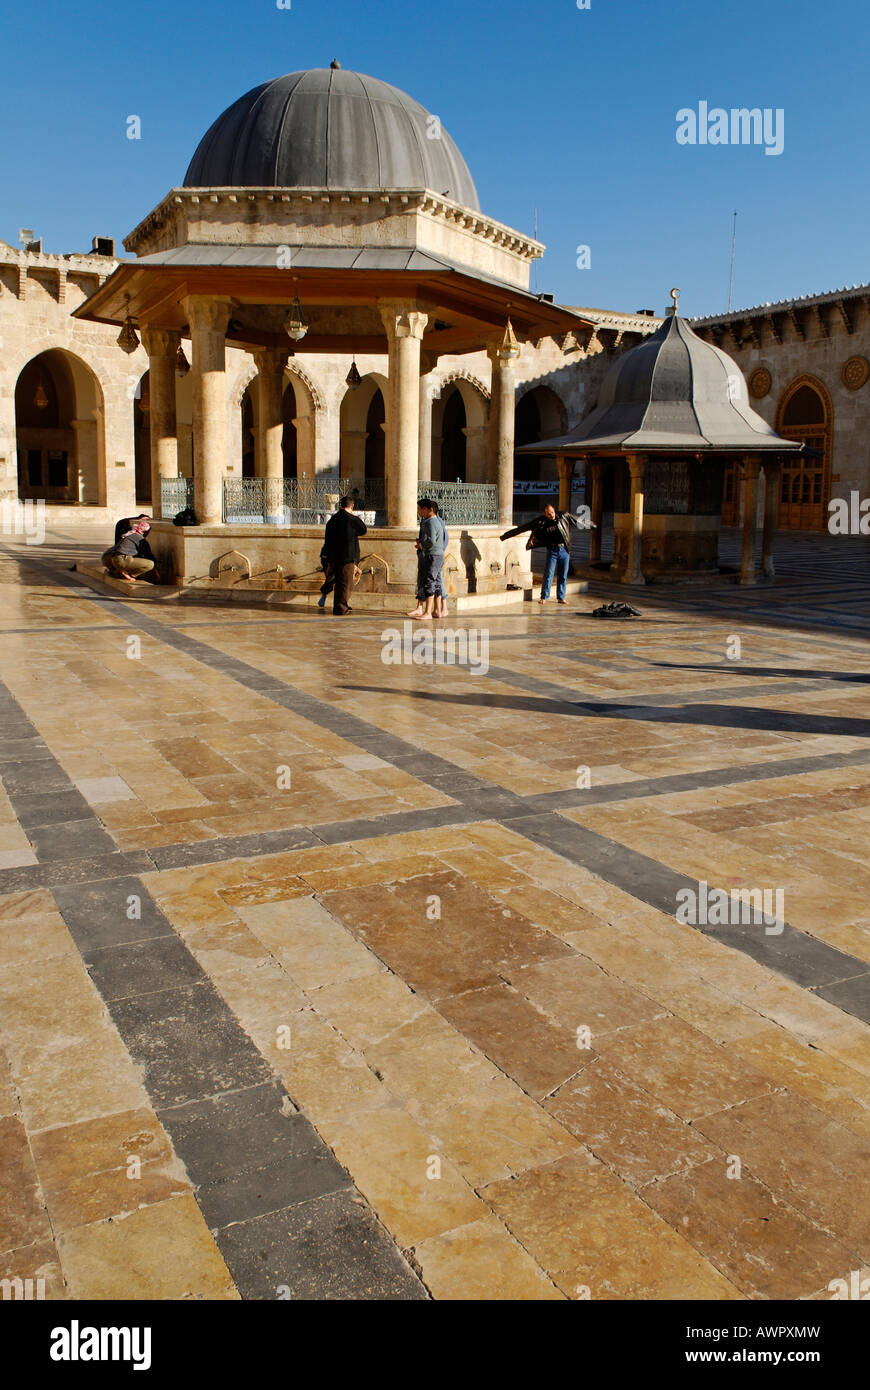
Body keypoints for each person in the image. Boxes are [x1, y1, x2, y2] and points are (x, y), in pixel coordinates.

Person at [501, 503, 585, 605]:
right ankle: (544, 597)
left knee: (563, 575)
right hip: (552, 550)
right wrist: (505, 536)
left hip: (564, 550)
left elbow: (577, 520)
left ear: (555, 511)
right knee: (548, 574)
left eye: (553, 513)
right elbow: (523, 528)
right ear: (545, 514)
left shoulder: (563, 516)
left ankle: (561, 597)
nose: (551, 515)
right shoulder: (541, 522)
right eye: (549, 514)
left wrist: (592, 525)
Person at [323, 495, 366, 615]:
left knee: (339, 582)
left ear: (340, 505)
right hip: (347, 556)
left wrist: (327, 558)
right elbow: (363, 530)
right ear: (352, 506)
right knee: (346, 583)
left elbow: (327, 540)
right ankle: (340, 608)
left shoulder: (332, 520)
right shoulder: (351, 519)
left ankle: (341, 604)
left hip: (334, 556)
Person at [407, 498, 444, 621]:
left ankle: (428, 612)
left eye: (420, 508)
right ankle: (437, 610)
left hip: (432, 555)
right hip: (437, 555)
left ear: (430, 509)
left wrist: (421, 545)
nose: (419, 511)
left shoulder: (431, 522)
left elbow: (431, 541)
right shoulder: (429, 521)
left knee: (430, 581)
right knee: (436, 582)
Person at [102, 518, 158, 583]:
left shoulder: (129, 535)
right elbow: (148, 555)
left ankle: (117, 571)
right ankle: (127, 574)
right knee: (150, 564)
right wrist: (156, 568)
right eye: (148, 532)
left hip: (108, 560)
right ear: (145, 532)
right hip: (121, 560)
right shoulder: (140, 539)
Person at [317, 541, 334, 609]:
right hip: (329, 555)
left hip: (328, 555)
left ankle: (323, 596)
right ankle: (323, 596)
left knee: (331, 578)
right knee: (331, 578)